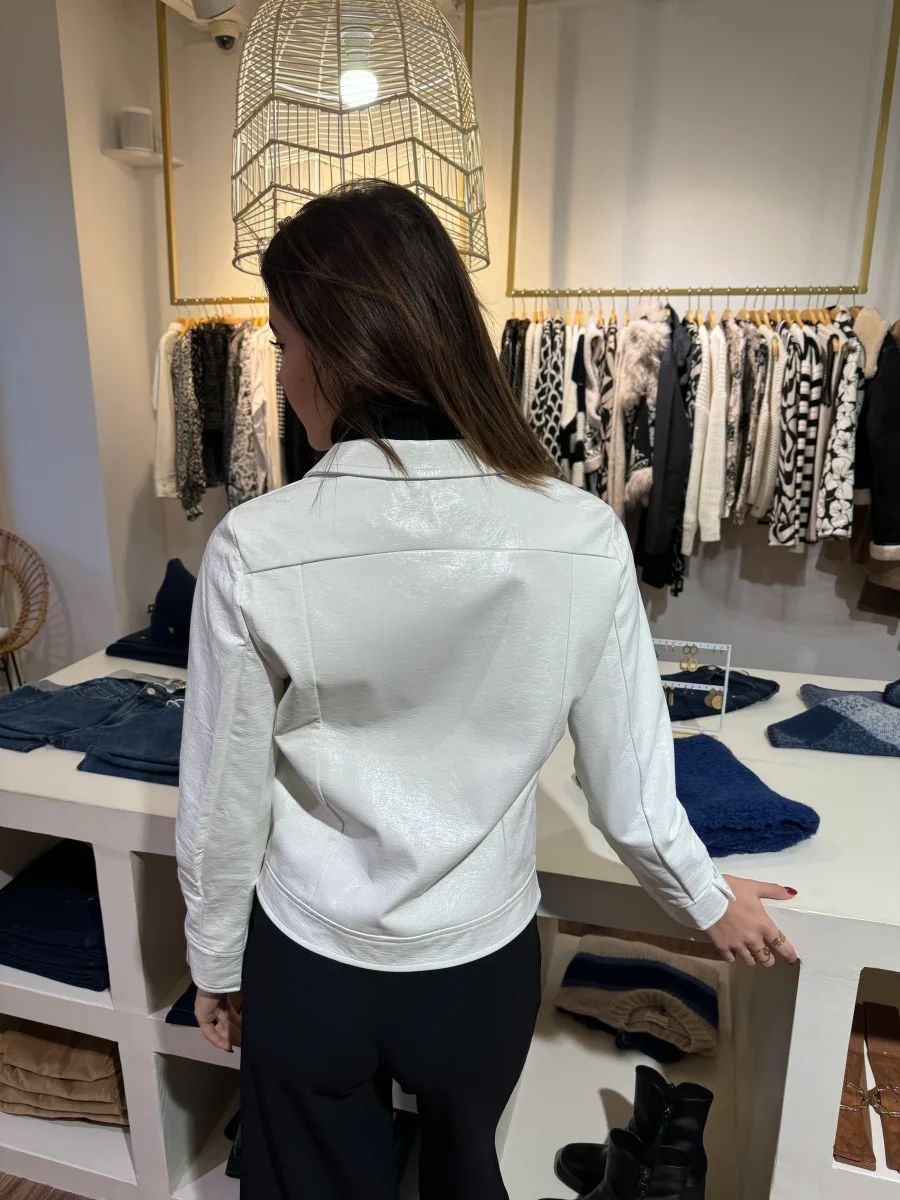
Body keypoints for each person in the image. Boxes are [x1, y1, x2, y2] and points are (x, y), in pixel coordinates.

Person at [175, 180, 797, 1200]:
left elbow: (221, 799)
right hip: (477, 968)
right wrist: (707, 897)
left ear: (338, 350)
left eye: (284, 345)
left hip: (315, 962)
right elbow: (632, 788)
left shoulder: (258, 545)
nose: (282, 376)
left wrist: (215, 961)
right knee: (469, 1178)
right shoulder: (580, 533)